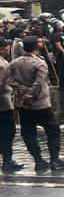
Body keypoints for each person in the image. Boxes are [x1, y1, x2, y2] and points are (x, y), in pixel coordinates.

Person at [6, 35, 64, 173]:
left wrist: (22, 90)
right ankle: (54, 159)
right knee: (53, 131)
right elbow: (39, 84)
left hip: (22, 104)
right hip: (40, 104)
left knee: (28, 132)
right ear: (36, 47)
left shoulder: (15, 62)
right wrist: (30, 94)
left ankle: (38, 160)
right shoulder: (40, 63)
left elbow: (9, 80)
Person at [0, 35, 24, 173]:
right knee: (8, 132)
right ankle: (7, 160)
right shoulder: (2, 65)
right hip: (3, 102)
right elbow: (3, 84)